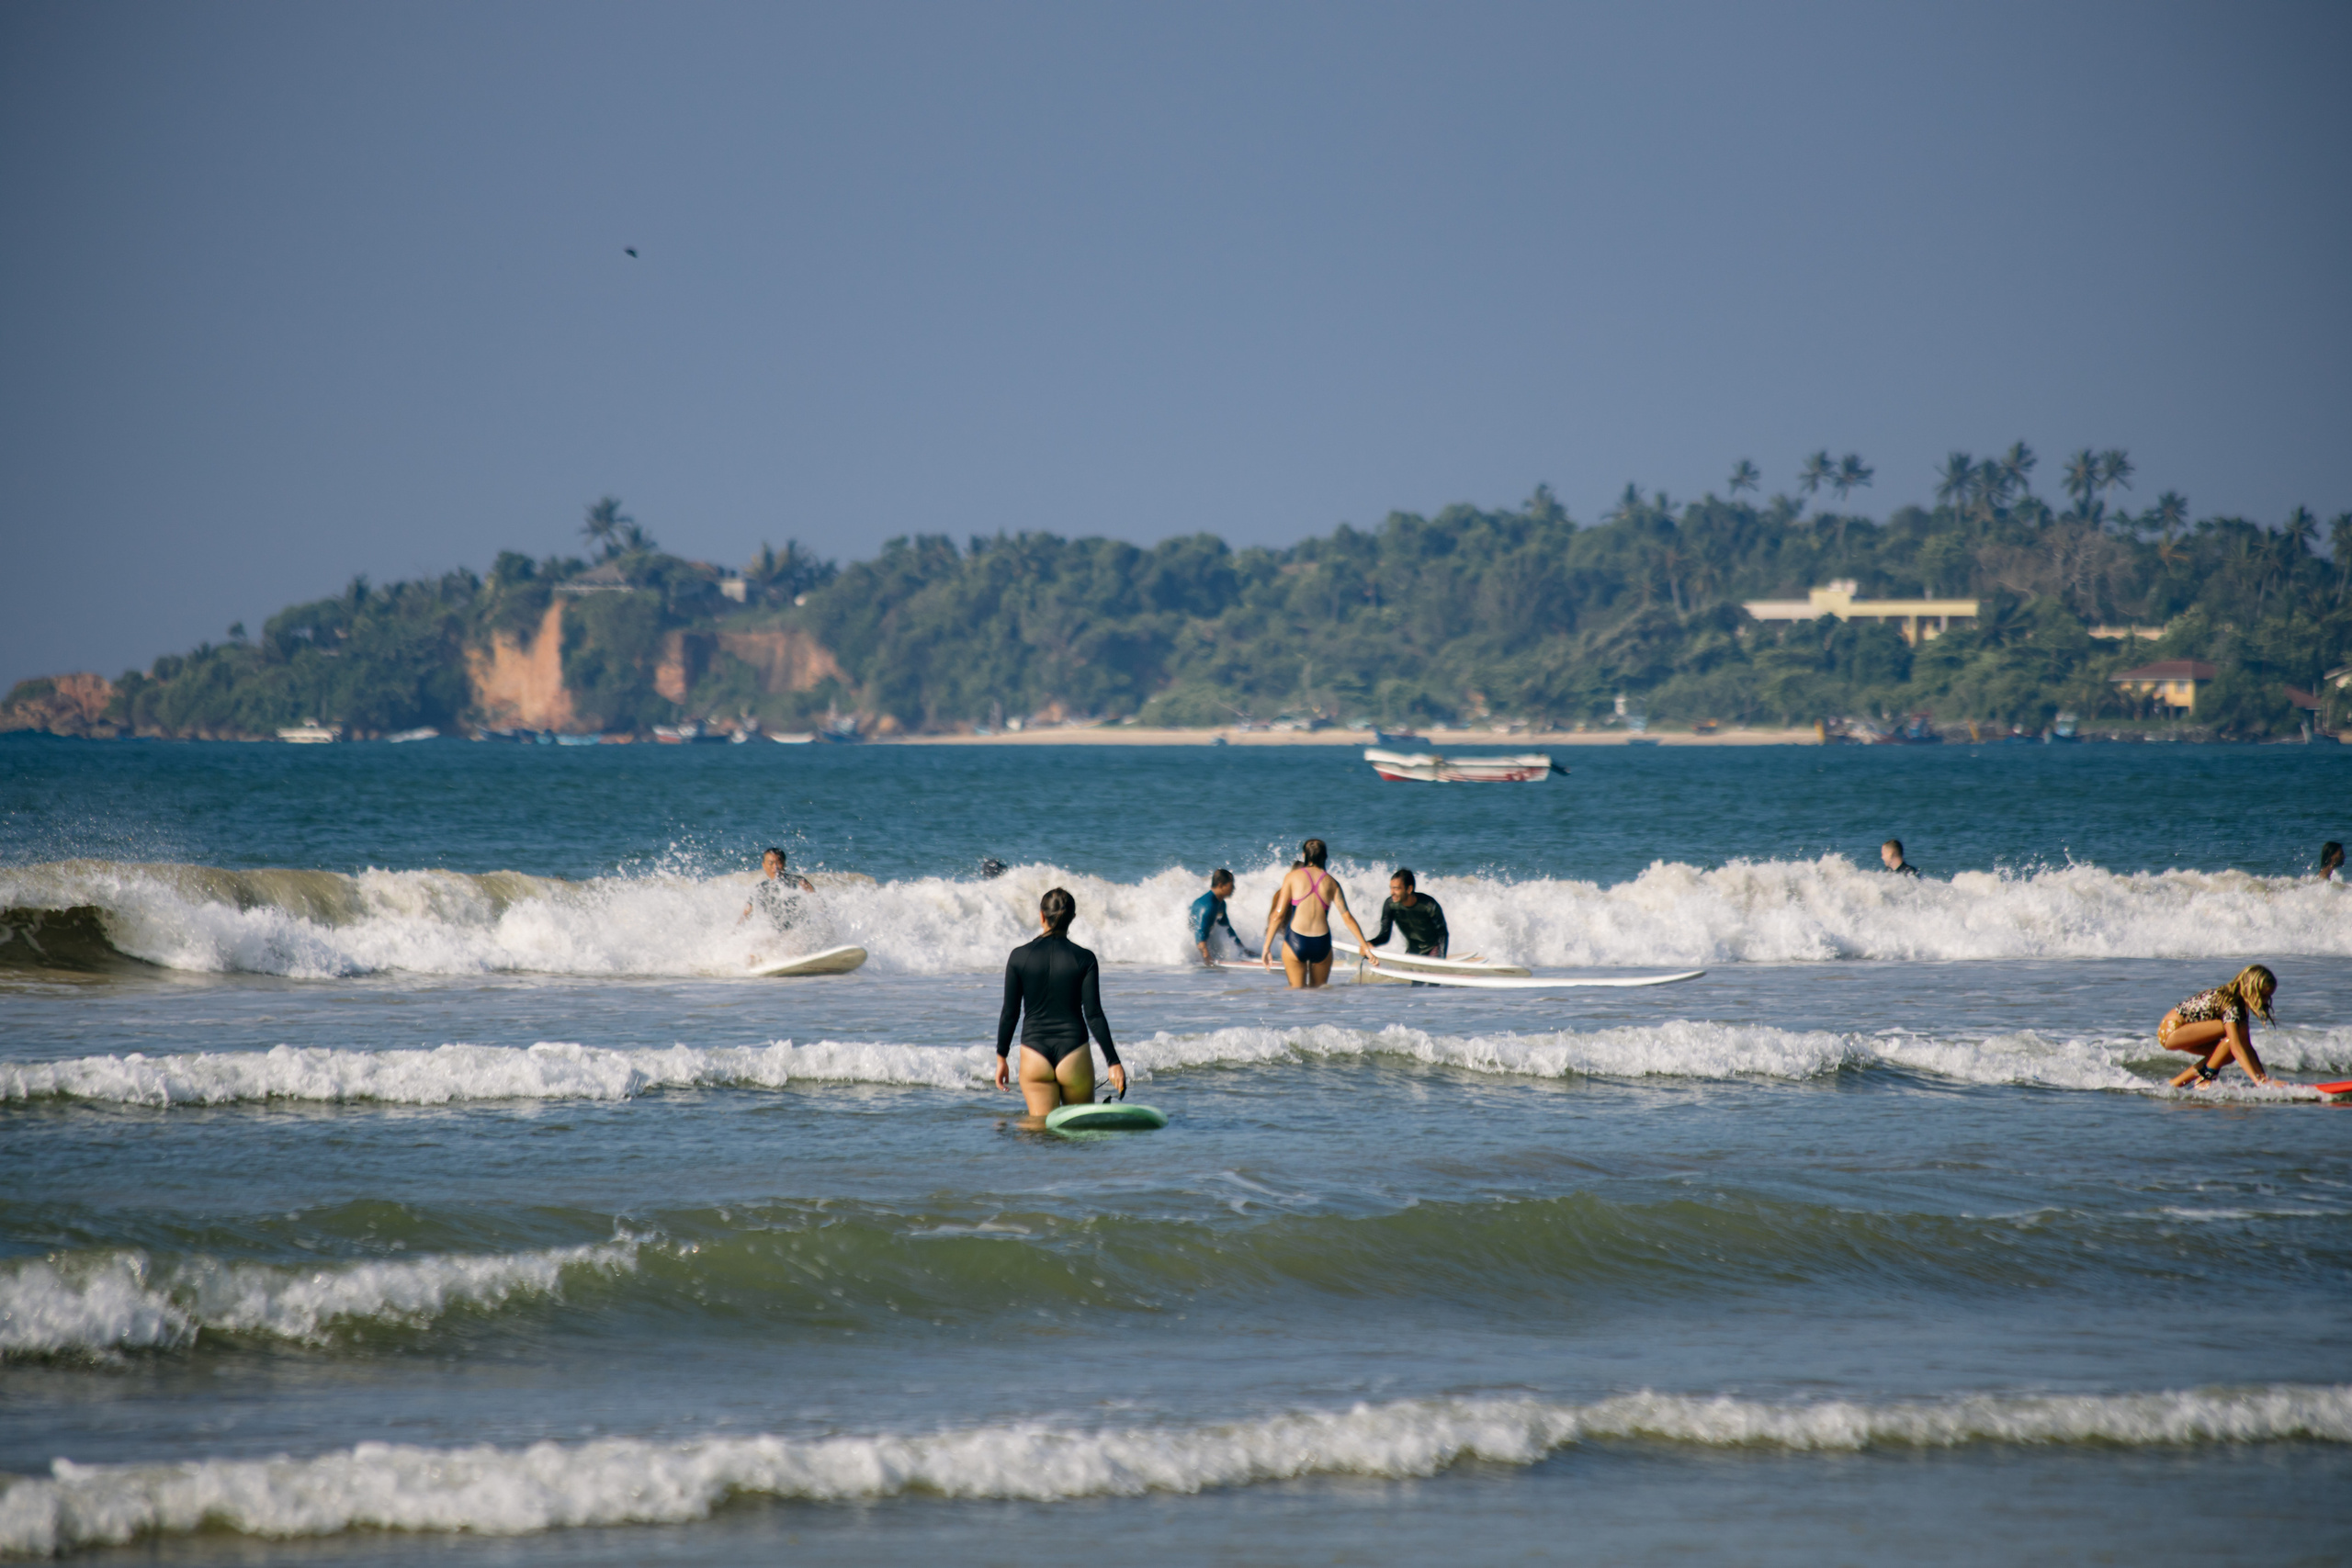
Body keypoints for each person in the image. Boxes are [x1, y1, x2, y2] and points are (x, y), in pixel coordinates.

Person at [996, 886, 1125, 1117]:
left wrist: (1001, 1057)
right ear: (1072, 919)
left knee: (1039, 1130)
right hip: (1073, 1054)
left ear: (1041, 916)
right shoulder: (1085, 959)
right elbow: (1094, 1014)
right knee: (1079, 1129)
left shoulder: (1018, 956)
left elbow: (1010, 1013)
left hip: (1034, 1054)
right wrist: (1113, 1062)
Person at [1260, 840, 1378, 988]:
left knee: (1296, 994)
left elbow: (1278, 914)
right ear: (1325, 857)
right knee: (1319, 995)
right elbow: (1347, 917)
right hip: (1321, 943)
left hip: (1295, 940)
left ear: (1304, 855)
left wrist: (1266, 947)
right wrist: (1365, 946)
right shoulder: (1332, 882)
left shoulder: (1292, 877)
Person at [2161, 964, 2278, 1089]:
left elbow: (2247, 1046)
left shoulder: (2239, 1003)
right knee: (2234, 1038)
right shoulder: (2231, 1004)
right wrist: (2258, 1081)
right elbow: (2236, 1046)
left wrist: (2263, 1078)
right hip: (2172, 1030)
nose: (2266, 1001)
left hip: (2183, 1032)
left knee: (2226, 1053)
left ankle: (2175, 1084)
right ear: (2251, 989)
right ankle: (2205, 1078)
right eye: (2263, 996)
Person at [740, 847, 818, 961]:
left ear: (784, 864)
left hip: (799, 932)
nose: (775, 867)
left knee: (792, 942)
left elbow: (818, 903)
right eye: (771, 863)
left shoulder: (799, 882)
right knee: (754, 950)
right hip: (777, 934)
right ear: (764, 865)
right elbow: (746, 914)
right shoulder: (760, 889)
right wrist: (735, 934)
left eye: (779, 863)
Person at [1370, 868, 1449, 957]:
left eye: (1396, 889)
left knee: (1430, 970)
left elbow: (1442, 934)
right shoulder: (1390, 905)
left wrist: (1441, 958)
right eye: (1391, 888)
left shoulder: (1429, 905)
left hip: (1433, 948)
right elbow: (1385, 935)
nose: (1392, 893)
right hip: (1413, 949)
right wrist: (1370, 943)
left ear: (1409, 889)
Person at [1190, 869, 1249, 964]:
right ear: (1221, 885)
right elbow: (1199, 935)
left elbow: (1226, 928)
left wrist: (1242, 948)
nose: (1234, 888)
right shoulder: (1208, 906)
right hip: (1194, 946)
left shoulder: (1220, 904)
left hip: (1204, 941)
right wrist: (1207, 958)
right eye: (1231, 884)